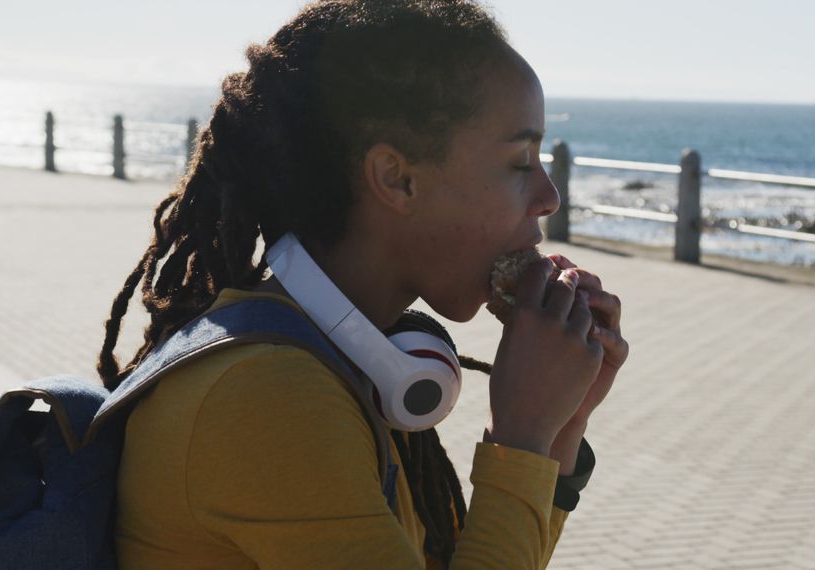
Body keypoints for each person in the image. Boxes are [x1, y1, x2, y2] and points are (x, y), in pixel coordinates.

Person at [97, 1, 629, 568]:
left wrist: (560, 429)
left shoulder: (346, 355)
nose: (550, 196)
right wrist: (521, 436)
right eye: (521, 161)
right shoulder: (267, 394)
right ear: (398, 180)